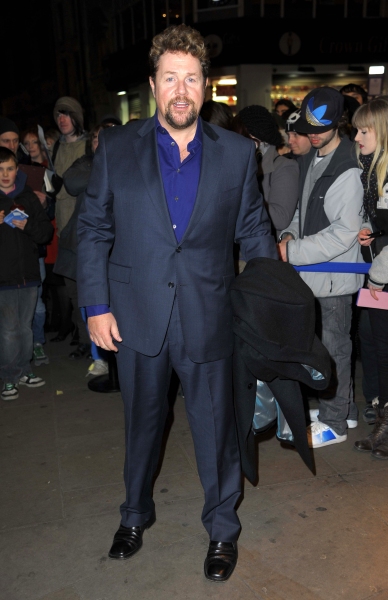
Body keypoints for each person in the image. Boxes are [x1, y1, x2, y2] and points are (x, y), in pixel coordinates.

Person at [77, 24, 276, 582]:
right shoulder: (118, 148)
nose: (182, 89)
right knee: (141, 425)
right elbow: (92, 229)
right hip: (135, 318)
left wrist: (270, 299)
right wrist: (96, 305)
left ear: (206, 86)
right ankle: (135, 515)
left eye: (191, 78)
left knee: (216, 431)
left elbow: (254, 229)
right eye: (171, 78)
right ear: (153, 85)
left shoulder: (237, 154)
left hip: (209, 315)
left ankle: (221, 530)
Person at [278, 87, 364, 448]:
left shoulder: (348, 165)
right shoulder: (314, 158)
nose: (312, 134)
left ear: (338, 124)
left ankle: (335, 422)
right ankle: (344, 411)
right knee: (328, 348)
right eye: (309, 127)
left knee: (334, 350)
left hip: (334, 276)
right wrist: (287, 234)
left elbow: (343, 234)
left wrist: (292, 250)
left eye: (321, 128)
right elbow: (302, 209)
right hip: (315, 273)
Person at [55, 124, 109, 377]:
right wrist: (106, 167)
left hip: (115, 246)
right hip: (82, 245)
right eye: (97, 138)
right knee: (88, 303)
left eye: (108, 137)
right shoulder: (86, 163)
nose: (101, 142)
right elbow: (71, 182)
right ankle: (98, 357)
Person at [0, 147, 53, 400]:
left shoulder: (29, 197)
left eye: (9, 168)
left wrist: (28, 224)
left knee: (25, 327)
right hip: (4, 277)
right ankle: (8, 377)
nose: (5, 174)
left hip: (29, 274)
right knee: (9, 329)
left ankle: (24, 370)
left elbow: (46, 233)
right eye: (0, 170)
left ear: (17, 169)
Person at [352, 98, 388, 458]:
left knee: (381, 347)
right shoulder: (373, 170)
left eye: (365, 130)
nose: (357, 136)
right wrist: (370, 231)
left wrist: (377, 278)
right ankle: (382, 426)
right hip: (379, 279)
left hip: (383, 280)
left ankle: (385, 431)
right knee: (372, 341)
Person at [50, 97, 90, 358]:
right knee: (71, 289)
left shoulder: (89, 145)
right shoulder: (55, 148)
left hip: (83, 225)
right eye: (58, 115)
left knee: (88, 288)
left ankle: (92, 341)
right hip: (62, 226)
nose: (62, 119)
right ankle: (82, 337)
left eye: (67, 114)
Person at [233, 105, 299, 239]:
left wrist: (243, 194)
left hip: (263, 249)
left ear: (257, 140)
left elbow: (281, 218)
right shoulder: (239, 164)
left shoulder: (284, 167)